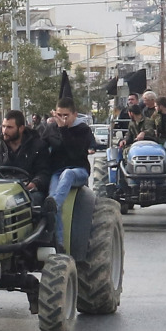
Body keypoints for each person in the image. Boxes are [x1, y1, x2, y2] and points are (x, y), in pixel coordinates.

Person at [42, 97, 93, 247]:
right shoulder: (51, 129)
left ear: (74, 115)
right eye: (59, 115)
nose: (62, 119)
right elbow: (40, 146)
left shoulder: (83, 130)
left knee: (67, 175)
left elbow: (75, 153)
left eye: (66, 115)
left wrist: (63, 129)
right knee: (52, 199)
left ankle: (55, 204)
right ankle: (59, 244)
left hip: (78, 171)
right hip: (57, 172)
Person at [0, 109, 50, 200]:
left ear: (21, 128)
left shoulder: (38, 146)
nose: (5, 131)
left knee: (35, 201)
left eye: (9, 127)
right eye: (3, 126)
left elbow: (44, 172)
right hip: (0, 190)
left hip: (28, 191)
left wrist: (34, 183)